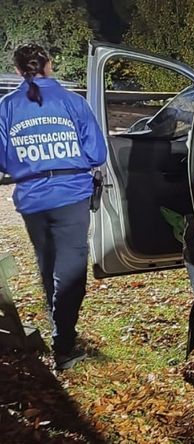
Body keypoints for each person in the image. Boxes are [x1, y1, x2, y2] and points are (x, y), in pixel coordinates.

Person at [0, 44, 107, 370]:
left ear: (18, 70)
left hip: (33, 199)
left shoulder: (6, 107)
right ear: (49, 65)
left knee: (48, 266)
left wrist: (31, 160)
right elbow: (97, 154)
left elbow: (3, 159)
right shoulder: (73, 103)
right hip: (71, 195)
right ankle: (64, 346)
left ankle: (60, 325)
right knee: (72, 273)